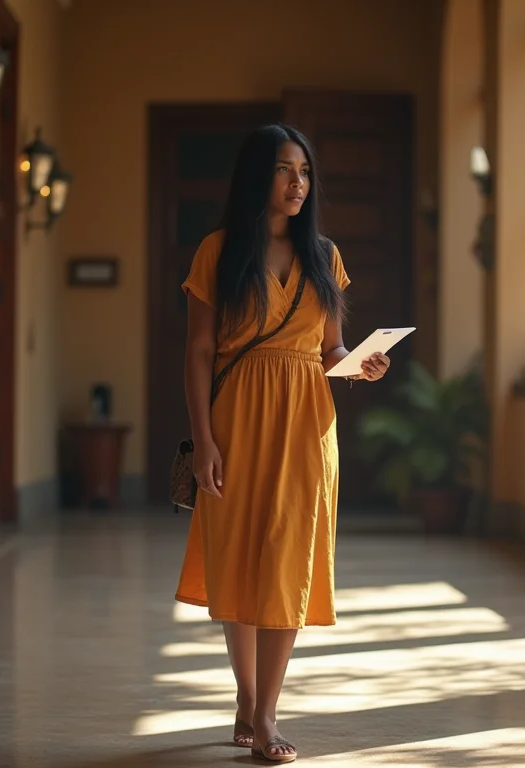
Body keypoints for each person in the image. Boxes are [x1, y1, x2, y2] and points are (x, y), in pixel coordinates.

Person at [175, 124, 391, 763]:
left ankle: (267, 715)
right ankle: (245, 696)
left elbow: (331, 350)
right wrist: (203, 439)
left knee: (289, 561)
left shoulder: (324, 256)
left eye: (304, 171)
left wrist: (361, 364)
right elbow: (196, 351)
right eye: (283, 169)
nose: (297, 183)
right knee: (239, 555)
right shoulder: (218, 252)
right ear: (255, 177)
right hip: (236, 419)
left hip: (306, 426)